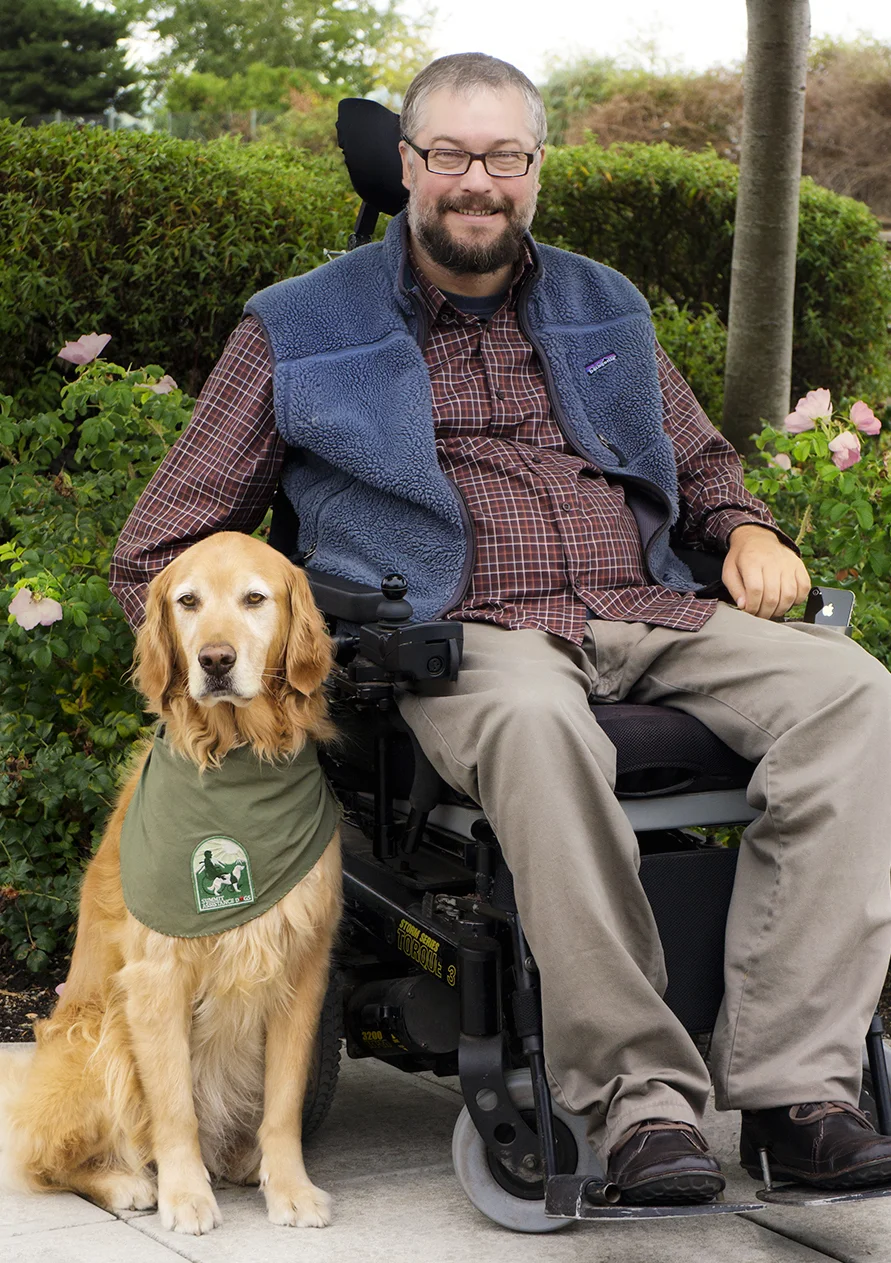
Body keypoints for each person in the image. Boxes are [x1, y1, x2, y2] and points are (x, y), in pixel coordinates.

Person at [110, 52, 891, 1205]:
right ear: (410, 167)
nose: (478, 181)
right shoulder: (297, 327)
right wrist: (231, 658)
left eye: (504, 158)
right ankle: (639, 1105)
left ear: (536, 169)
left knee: (858, 692)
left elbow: (700, 458)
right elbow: (157, 548)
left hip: (642, 602)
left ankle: (798, 1095)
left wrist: (740, 527)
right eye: (451, 157)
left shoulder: (600, 301)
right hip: (461, 632)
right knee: (538, 720)